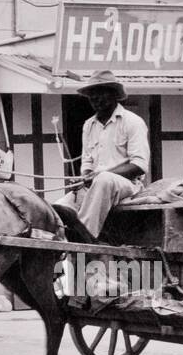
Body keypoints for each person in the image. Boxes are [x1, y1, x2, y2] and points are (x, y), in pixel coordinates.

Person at [54, 71, 149, 240]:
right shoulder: (89, 125)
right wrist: (83, 179)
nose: (95, 100)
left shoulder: (133, 122)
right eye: (92, 96)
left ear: (113, 95)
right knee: (59, 208)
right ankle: (59, 241)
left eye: (100, 94)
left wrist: (100, 175)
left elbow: (139, 165)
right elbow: (87, 162)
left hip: (126, 186)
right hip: (95, 186)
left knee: (104, 179)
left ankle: (84, 237)